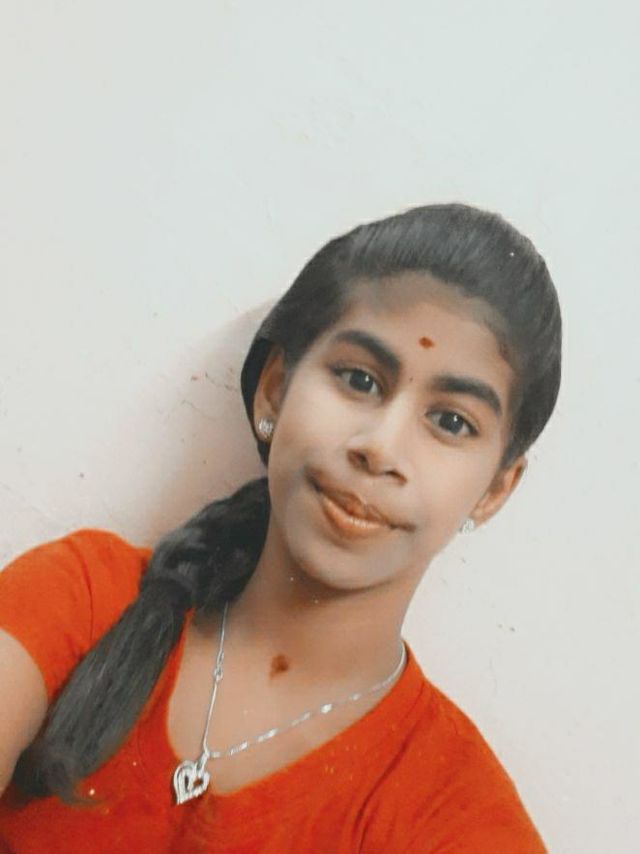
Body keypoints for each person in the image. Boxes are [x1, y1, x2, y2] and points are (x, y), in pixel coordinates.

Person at [0, 203, 560, 852]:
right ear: (274, 389)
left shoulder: (454, 816)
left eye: (451, 422)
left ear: (493, 490)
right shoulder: (84, 600)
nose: (380, 448)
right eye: (359, 379)